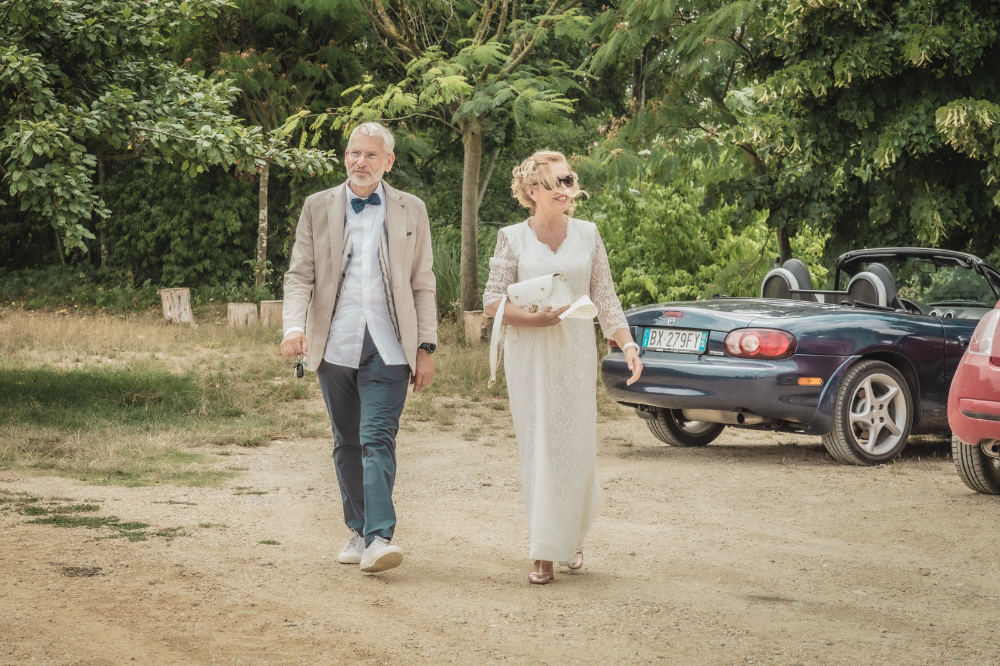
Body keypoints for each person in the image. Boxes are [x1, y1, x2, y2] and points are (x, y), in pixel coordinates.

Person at [280, 121, 437, 574]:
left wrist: (425, 346)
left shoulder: (412, 209)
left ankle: (379, 536)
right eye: (353, 153)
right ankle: (357, 527)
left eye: (370, 155)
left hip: (390, 345)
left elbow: (423, 282)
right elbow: (300, 274)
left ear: (388, 162)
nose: (360, 162)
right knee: (346, 440)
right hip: (335, 342)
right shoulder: (318, 206)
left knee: (376, 437)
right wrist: (293, 327)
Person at [483, 150, 643, 585]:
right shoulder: (511, 238)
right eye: (560, 181)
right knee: (539, 446)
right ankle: (543, 551)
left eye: (571, 180)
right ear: (534, 191)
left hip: (574, 352)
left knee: (574, 446)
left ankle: (570, 535)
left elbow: (605, 297)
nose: (569, 189)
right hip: (529, 354)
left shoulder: (589, 235)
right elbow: (491, 304)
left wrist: (627, 343)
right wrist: (530, 318)